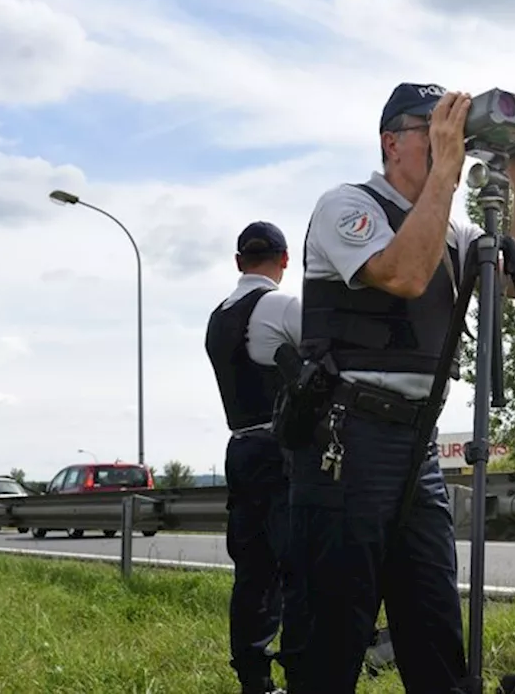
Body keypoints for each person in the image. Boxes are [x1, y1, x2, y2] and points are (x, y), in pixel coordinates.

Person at [281, 83, 515, 693]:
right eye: (431, 129)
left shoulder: (450, 233)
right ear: (390, 142)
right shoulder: (346, 206)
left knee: (433, 627)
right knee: (331, 636)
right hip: (346, 442)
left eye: (451, 128)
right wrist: (448, 174)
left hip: (417, 445)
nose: (444, 140)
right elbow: (402, 272)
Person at [204, 221, 304, 694]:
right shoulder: (282, 305)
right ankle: (305, 670)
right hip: (281, 451)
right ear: (285, 260)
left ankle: (254, 678)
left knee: (253, 571)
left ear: (238, 261)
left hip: (240, 448)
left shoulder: (218, 315)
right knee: (299, 566)